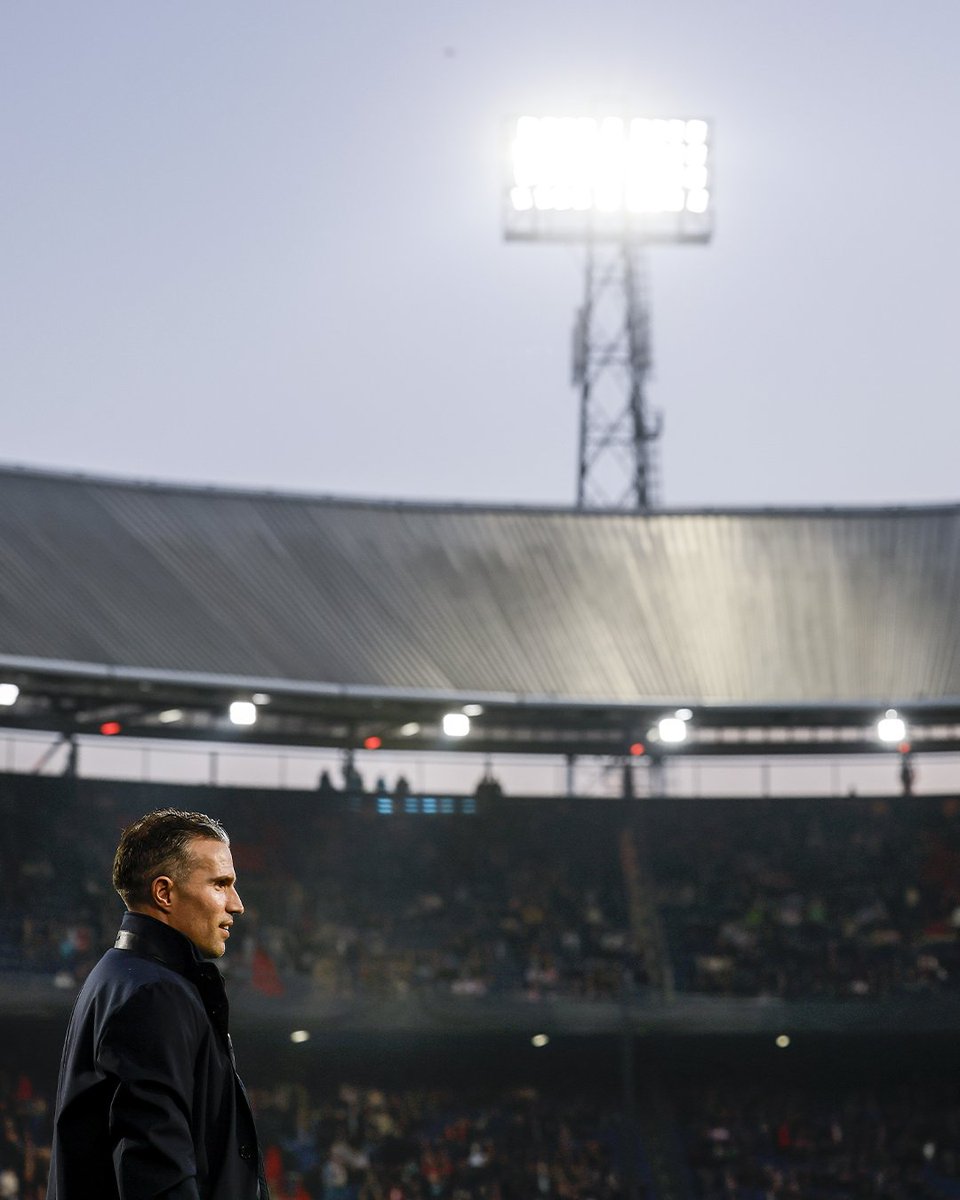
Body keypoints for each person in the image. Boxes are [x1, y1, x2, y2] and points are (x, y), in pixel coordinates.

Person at [48, 808, 268, 1199]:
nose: (236, 904)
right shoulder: (154, 993)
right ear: (164, 892)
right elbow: (157, 1175)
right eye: (220, 884)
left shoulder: (117, 976)